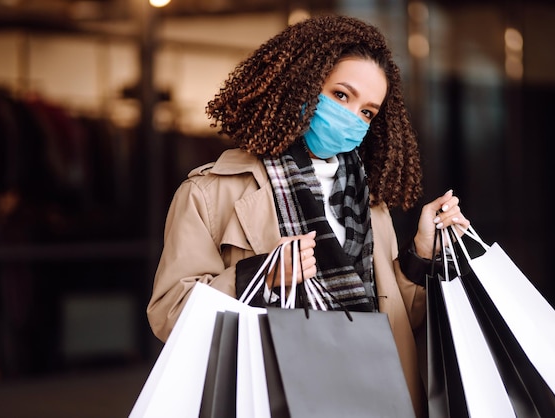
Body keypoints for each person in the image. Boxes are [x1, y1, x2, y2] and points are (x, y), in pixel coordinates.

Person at [146, 14, 469, 417]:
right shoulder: (210, 193)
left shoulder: (369, 202)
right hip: (276, 395)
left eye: (368, 112)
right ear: (301, 82)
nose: (352, 117)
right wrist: (257, 277)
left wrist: (422, 250)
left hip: (375, 396)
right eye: (340, 95)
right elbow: (169, 316)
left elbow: (401, 320)